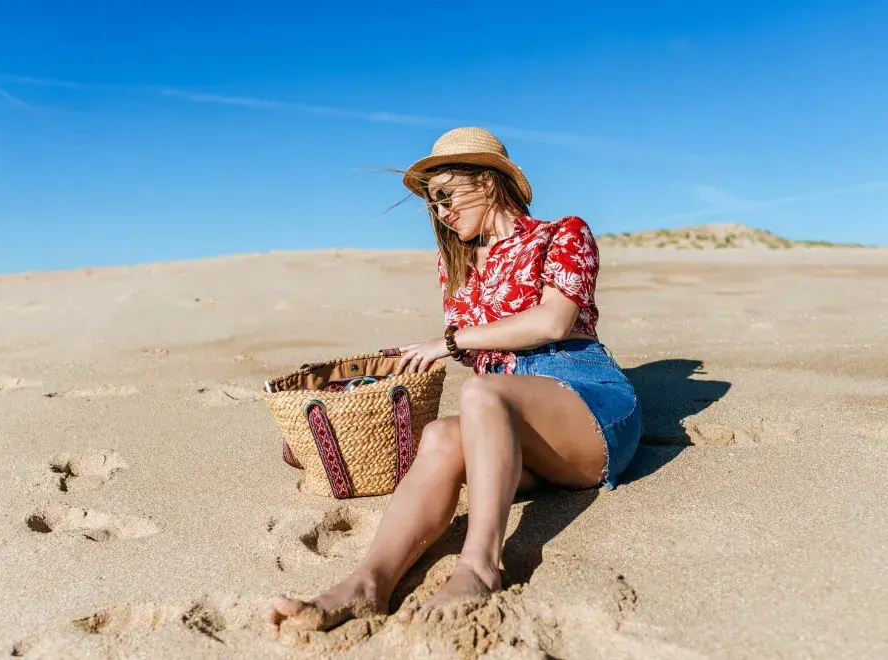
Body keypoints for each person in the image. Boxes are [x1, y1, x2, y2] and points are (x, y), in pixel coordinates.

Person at [267, 126, 642, 632]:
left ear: (487, 182)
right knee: (440, 435)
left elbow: (552, 322)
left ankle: (481, 566)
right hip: (514, 424)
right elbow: (480, 348)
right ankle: (369, 582)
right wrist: (414, 355)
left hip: (584, 402)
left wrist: (450, 343)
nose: (440, 211)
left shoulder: (562, 233)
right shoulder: (458, 264)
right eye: (432, 203)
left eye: (446, 194)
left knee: (481, 393)